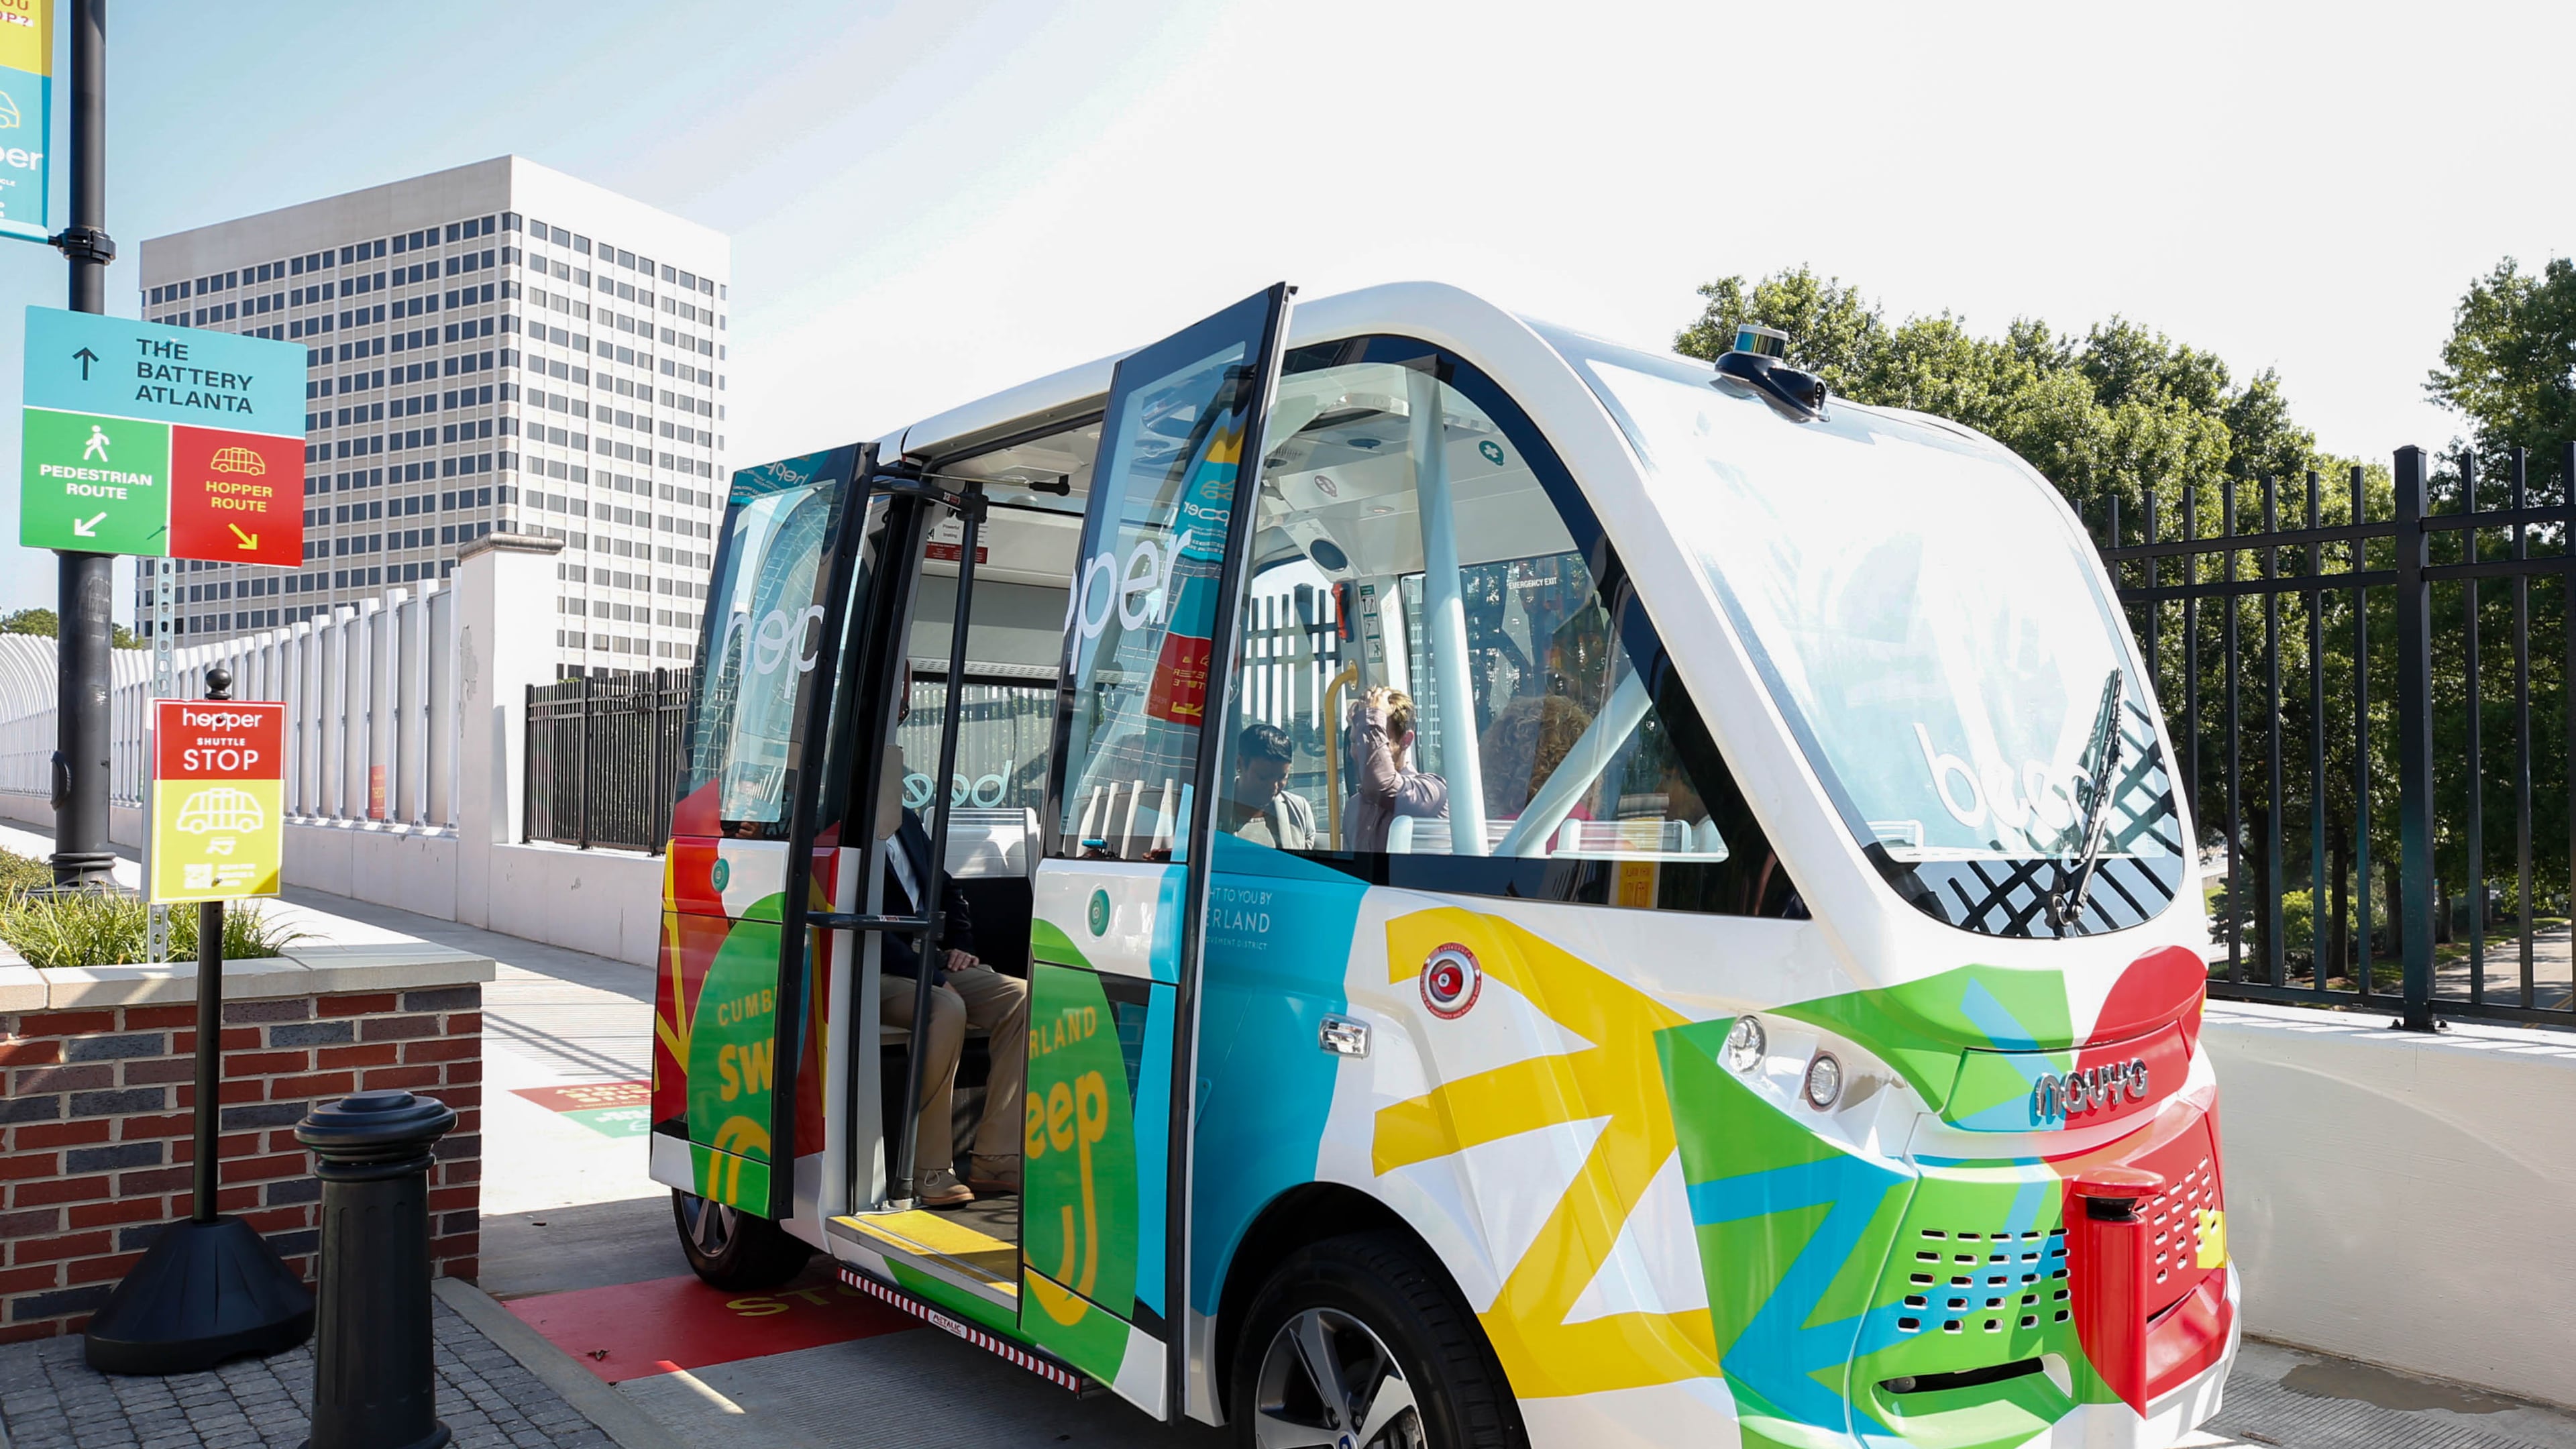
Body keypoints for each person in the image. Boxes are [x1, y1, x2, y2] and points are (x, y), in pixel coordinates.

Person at [874, 746, 1028, 1210]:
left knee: (1021, 998)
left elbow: (950, 891)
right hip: (875, 970)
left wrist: (963, 945)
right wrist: (924, 970)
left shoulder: (907, 823)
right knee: (944, 1007)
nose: (899, 780)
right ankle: (928, 1170)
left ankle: (997, 1158)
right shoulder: (841, 832)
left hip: (930, 962)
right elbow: (861, 924)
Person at [1346, 686, 1448, 851]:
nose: (1359, 751)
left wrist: (1372, 718)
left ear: (1406, 740)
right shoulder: (1354, 807)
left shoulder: (1432, 792)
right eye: (1355, 741)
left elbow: (1381, 785)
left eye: (1376, 738)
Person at [1220, 722, 1318, 849]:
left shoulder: (1299, 810)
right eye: (1263, 777)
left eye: (1282, 777)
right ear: (1240, 764)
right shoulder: (1211, 808)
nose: (1274, 787)